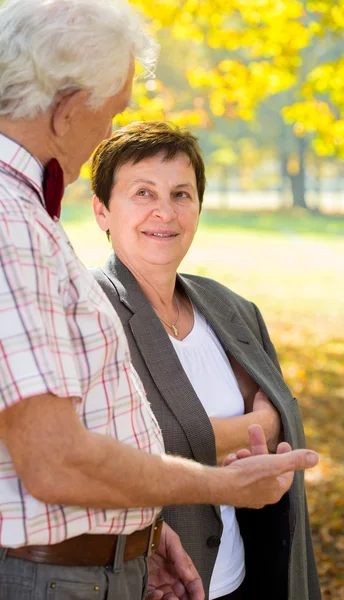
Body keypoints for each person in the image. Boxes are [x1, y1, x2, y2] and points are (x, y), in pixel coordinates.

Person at [0, 1, 319, 598]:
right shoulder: (1, 223)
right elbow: (54, 460)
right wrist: (224, 487)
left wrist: (139, 536)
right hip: (36, 579)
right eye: (111, 111)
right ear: (69, 110)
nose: (105, 132)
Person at [91, 121, 322, 600]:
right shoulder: (89, 311)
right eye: (142, 192)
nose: (165, 211)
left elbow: (278, 426)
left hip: (243, 574)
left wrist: (264, 436)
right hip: (153, 584)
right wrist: (260, 423)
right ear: (101, 211)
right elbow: (120, 452)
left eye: (182, 194)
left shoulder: (232, 308)